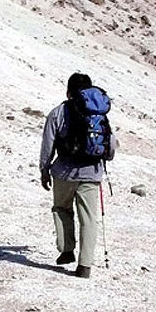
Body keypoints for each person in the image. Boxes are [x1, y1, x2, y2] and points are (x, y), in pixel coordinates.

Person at [39, 73, 115, 278]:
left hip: (63, 172)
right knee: (89, 219)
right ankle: (85, 266)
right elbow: (111, 145)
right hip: (92, 173)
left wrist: (44, 170)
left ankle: (66, 250)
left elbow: (48, 144)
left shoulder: (58, 112)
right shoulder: (99, 114)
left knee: (61, 208)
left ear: (68, 91)